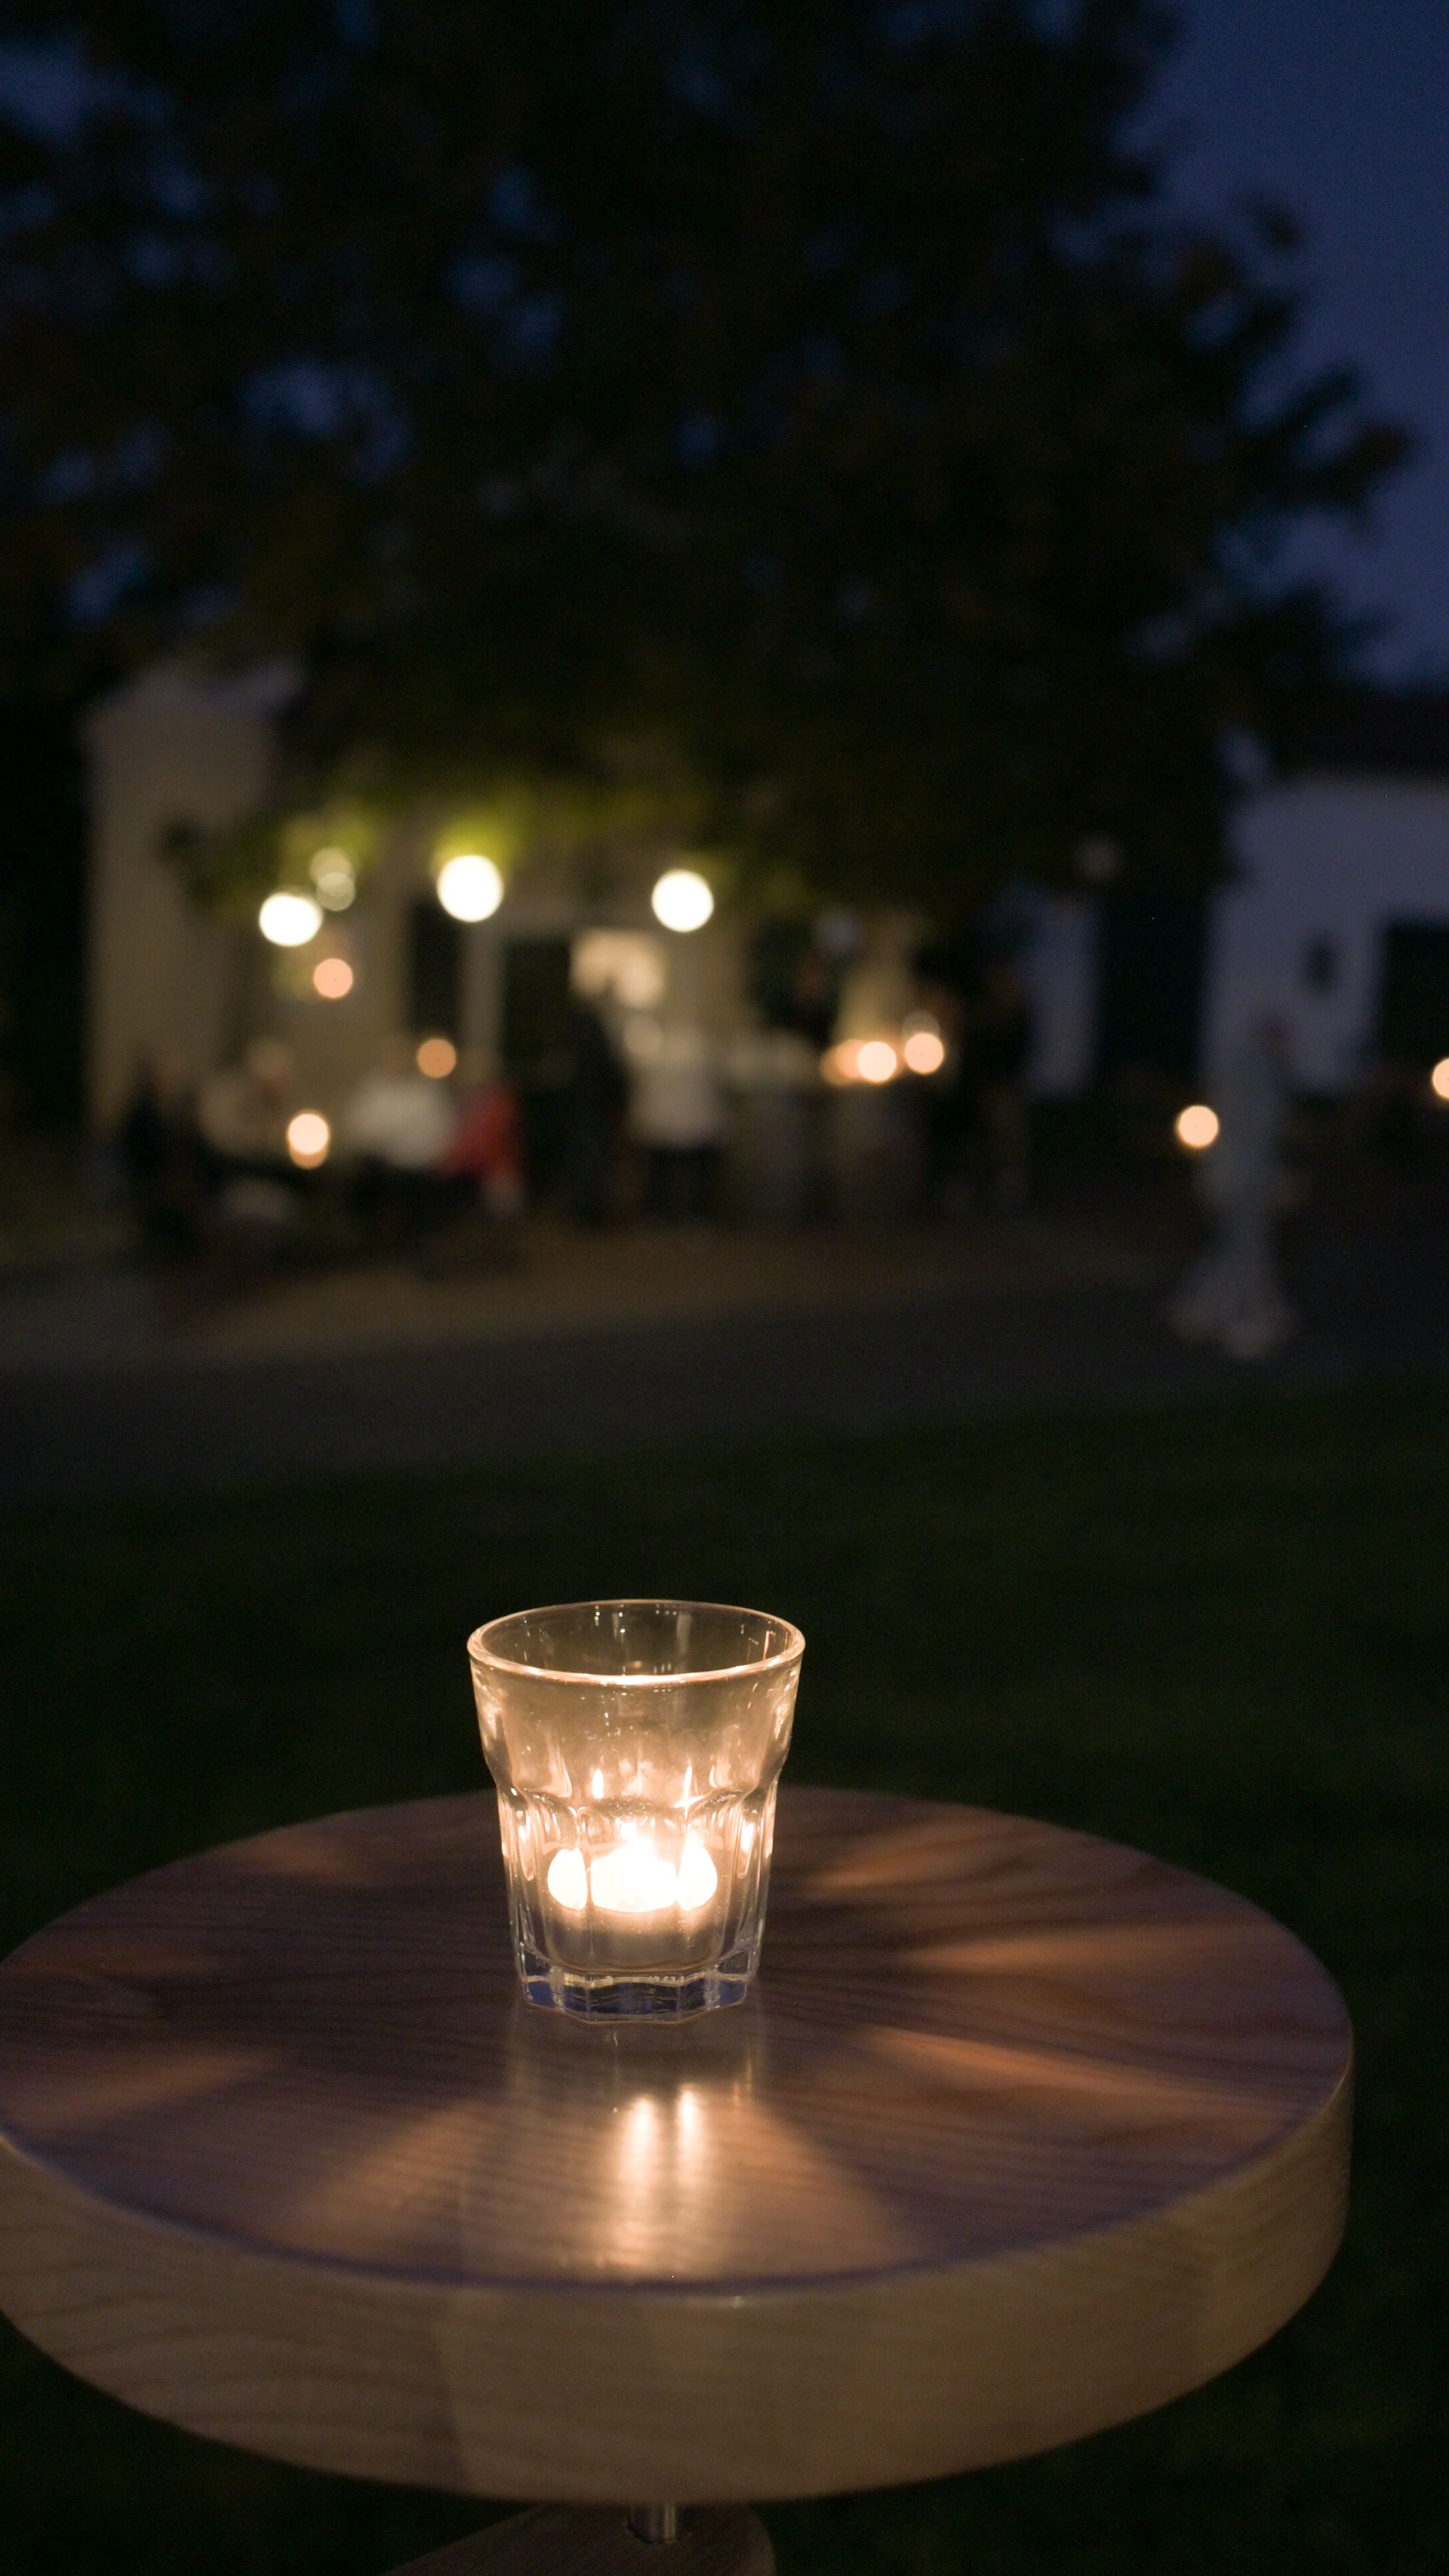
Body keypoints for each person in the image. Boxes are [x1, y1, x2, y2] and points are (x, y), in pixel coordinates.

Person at [1169, 1021, 1297, 1361]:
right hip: (1241, 1180)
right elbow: (1256, 1139)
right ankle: (1239, 1321)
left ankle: (1205, 1311)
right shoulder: (1258, 1080)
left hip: (1232, 1179)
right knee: (1246, 1247)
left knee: (1242, 1247)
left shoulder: (1246, 1076)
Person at [339, 1036, 458, 1253]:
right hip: (382, 1165)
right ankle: (367, 1244)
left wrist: (400, 1141)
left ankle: (422, 1246)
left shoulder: (427, 1093)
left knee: (426, 1191)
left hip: (421, 1165)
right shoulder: (373, 1090)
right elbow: (359, 1129)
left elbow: (440, 1133)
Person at [629, 1018, 726, 1220]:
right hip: (691, 1126)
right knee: (694, 1177)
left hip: (666, 1126)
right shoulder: (700, 1049)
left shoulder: (659, 1050)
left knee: (662, 1175)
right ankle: (695, 1216)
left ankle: (659, 1215)